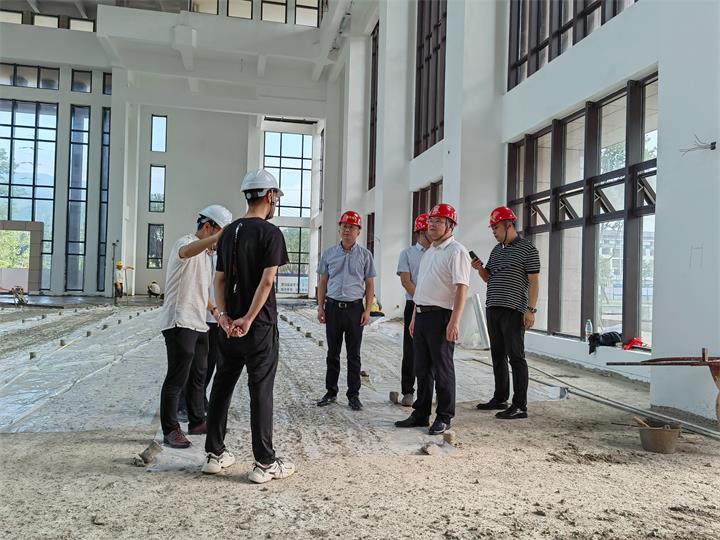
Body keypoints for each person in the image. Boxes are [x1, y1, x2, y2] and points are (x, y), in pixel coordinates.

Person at [203, 169, 295, 484]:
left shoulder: (228, 232)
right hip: (259, 327)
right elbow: (267, 282)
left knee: (222, 387)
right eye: (276, 197)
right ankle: (265, 463)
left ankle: (214, 454)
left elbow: (219, 280)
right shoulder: (271, 234)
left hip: (229, 328)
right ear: (269, 196)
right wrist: (249, 318)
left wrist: (225, 317)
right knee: (261, 391)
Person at [157, 204, 233, 448]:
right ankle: (170, 429)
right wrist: (216, 238)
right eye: (219, 234)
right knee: (177, 377)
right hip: (179, 320)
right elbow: (187, 251)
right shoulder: (186, 242)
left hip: (199, 322)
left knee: (199, 375)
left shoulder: (207, 256)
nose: (219, 243)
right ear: (208, 226)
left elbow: (200, 289)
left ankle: (197, 421)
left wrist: (215, 311)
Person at [395, 203, 470, 435]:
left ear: (450, 225)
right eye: (431, 221)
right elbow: (421, 289)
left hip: (442, 316)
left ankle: (445, 416)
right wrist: (414, 317)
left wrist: (455, 320)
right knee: (422, 368)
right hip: (421, 316)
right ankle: (421, 413)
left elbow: (462, 287)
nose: (432, 225)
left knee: (442, 369)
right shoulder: (429, 252)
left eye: (438, 221)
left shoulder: (456, 251)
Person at [473, 206, 540, 420]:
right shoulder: (497, 250)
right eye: (492, 228)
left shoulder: (528, 249)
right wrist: (480, 268)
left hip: (514, 309)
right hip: (493, 307)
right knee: (497, 355)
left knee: (516, 357)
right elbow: (488, 277)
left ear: (508, 225)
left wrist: (531, 310)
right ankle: (500, 397)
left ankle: (520, 405)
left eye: (496, 227)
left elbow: (534, 282)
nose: (493, 231)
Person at [316, 211, 376, 412]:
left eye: (352, 227)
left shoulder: (365, 256)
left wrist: (368, 310)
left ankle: (354, 395)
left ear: (359, 231)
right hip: (333, 308)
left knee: (353, 355)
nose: (347, 230)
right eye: (344, 226)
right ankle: (331, 392)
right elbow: (323, 282)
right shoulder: (329, 254)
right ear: (339, 229)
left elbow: (369, 284)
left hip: (355, 309)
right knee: (333, 353)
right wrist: (321, 306)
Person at [395, 213, 431, 407]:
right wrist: (421, 299)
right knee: (411, 349)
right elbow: (406, 281)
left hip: (434, 307)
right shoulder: (407, 254)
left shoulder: (437, 253)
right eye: (429, 230)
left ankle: (430, 391)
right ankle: (408, 391)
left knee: (432, 350)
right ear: (420, 232)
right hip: (413, 305)